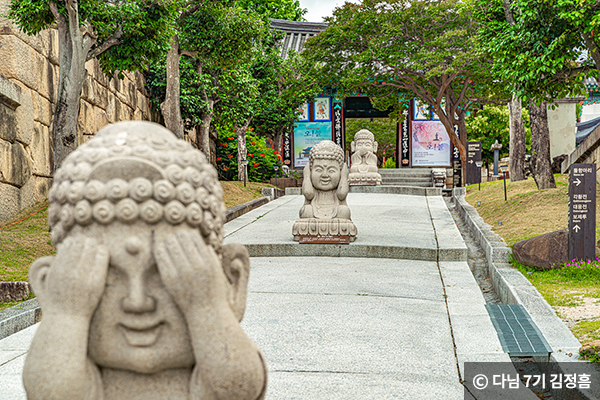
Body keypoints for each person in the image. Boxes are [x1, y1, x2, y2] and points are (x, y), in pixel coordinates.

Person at [23, 121, 267, 400]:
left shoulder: (207, 383)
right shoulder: (84, 386)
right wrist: (67, 314)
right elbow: (49, 391)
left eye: (168, 277)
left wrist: (204, 306)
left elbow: (239, 387)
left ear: (231, 282)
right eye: (106, 280)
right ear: (49, 287)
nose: (137, 302)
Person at [299, 140, 350, 220]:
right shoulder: (310, 180)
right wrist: (306, 175)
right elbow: (308, 194)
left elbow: (342, 194)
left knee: (344, 211)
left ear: (340, 171)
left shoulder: (338, 192)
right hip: (314, 206)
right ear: (310, 170)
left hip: (335, 207)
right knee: (306, 211)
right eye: (319, 170)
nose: (325, 175)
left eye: (331, 170)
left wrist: (344, 176)